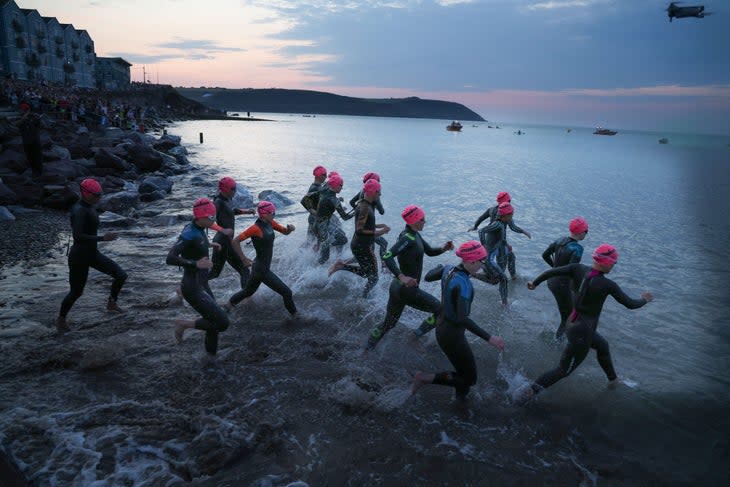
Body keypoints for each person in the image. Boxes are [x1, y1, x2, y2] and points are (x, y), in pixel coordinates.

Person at [520, 244, 654, 402]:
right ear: (605, 262)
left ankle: (612, 380)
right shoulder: (607, 285)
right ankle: (526, 395)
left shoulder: (578, 268)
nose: (613, 266)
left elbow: (552, 271)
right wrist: (644, 300)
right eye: (613, 263)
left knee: (602, 345)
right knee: (563, 370)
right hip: (583, 333)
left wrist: (534, 283)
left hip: (571, 323)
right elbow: (630, 304)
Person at [411, 241, 505, 399]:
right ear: (472, 261)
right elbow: (461, 318)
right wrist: (490, 338)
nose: (483, 266)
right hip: (452, 335)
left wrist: (439, 266)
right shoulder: (464, 284)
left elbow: (428, 277)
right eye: (482, 262)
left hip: (442, 328)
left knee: (462, 375)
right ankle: (424, 378)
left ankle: (460, 402)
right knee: (470, 378)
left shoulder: (449, 269)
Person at [365, 205, 453, 351]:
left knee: (388, 324)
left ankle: (367, 349)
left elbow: (430, 251)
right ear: (414, 221)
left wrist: (443, 248)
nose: (425, 221)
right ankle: (415, 336)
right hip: (406, 289)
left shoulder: (414, 235)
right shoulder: (407, 238)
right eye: (422, 219)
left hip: (397, 288)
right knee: (441, 310)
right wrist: (402, 276)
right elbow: (387, 256)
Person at [56, 178, 128, 332]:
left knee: (121, 275)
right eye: (95, 195)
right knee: (76, 292)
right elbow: (78, 236)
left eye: (100, 195)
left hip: (93, 254)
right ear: (85, 193)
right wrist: (103, 238)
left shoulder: (90, 207)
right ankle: (61, 319)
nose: (98, 198)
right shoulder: (79, 211)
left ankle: (112, 303)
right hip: (79, 257)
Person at [167, 198, 230, 360]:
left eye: (214, 216)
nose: (214, 220)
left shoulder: (201, 227)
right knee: (223, 322)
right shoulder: (188, 233)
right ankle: (183, 324)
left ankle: (210, 357)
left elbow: (197, 243)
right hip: (192, 287)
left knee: (213, 323)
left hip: (201, 283)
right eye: (211, 217)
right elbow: (170, 258)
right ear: (200, 217)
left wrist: (209, 245)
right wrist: (196, 263)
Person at [225, 201, 297, 315]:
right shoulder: (255, 228)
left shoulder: (270, 223)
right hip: (261, 270)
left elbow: (285, 232)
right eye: (272, 212)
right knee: (287, 292)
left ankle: (228, 305)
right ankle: (296, 316)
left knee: (248, 292)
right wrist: (243, 259)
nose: (274, 214)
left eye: (274, 211)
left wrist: (290, 229)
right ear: (263, 214)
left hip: (258, 267)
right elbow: (235, 241)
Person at [329, 179, 390, 297]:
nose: (380, 194)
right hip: (363, 246)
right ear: (372, 192)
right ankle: (364, 297)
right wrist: (380, 232)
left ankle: (342, 266)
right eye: (378, 192)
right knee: (374, 277)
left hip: (359, 244)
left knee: (368, 273)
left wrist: (378, 225)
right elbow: (359, 230)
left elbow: (364, 223)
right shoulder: (364, 208)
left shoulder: (365, 204)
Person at [541, 217, 589, 338]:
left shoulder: (560, 240)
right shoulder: (577, 249)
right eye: (586, 231)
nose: (586, 233)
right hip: (561, 285)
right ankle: (558, 343)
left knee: (571, 311)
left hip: (551, 280)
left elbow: (545, 255)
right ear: (580, 232)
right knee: (568, 317)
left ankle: (565, 336)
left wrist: (555, 268)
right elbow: (572, 271)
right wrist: (577, 290)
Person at [471, 192, 531, 279]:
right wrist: (524, 232)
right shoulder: (505, 213)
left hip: (491, 239)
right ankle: (506, 276)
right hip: (497, 242)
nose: (509, 203)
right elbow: (513, 227)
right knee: (502, 262)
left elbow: (481, 218)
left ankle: (510, 276)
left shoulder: (492, 209)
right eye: (509, 201)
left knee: (507, 256)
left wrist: (475, 227)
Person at [208, 176, 255, 289]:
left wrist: (247, 211)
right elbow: (209, 220)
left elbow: (232, 211)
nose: (235, 191)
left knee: (242, 271)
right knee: (216, 272)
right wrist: (222, 229)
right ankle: (185, 286)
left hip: (226, 242)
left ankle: (245, 298)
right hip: (222, 242)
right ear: (225, 189)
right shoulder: (218, 201)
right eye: (233, 188)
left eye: (235, 188)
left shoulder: (227, 199)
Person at [315, 173, 353, 264]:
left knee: (341, 235)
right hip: (323, 228)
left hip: (317, 224)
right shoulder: (334, 200)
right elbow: (345, 217)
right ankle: (313, 272)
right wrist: (356, 211)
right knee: (326, 256)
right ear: (335, 185)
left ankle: (325, 249)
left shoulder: (325, 189)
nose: (342, 188)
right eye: (341, 185)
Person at [349, 172, 388, 261]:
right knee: (380, 244)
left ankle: (344, 264)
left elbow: (351, 202)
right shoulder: (374, 195)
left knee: (363, 252)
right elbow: (382, 211)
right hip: (367, 229)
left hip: (362, 225)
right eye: (378, 182)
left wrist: (358, 212)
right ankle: (384, 267)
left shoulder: (363, 191)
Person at [301, 165, 327, 244]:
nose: (326, 177)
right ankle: (300, 255)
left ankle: (300, 255)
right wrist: (314, 212)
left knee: (310, 242)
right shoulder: (315, 188)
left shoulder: (317, 186)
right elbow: (304, 200)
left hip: (313, 218)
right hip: (314, 219)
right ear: (319, 176)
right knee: (313, 243)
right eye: (324, 175)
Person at [17, 108, 43, 177]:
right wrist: (23, 118)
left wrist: (38, 118)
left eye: (26, 111)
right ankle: (34, 171)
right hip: (26, 141)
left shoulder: (34, 119)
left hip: (35, 141)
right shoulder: (21, 121)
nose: (25, 112)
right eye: (24, 111)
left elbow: (42, 125)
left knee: (37, 157)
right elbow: (16, 124)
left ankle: (39, 172)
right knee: (29, 157)